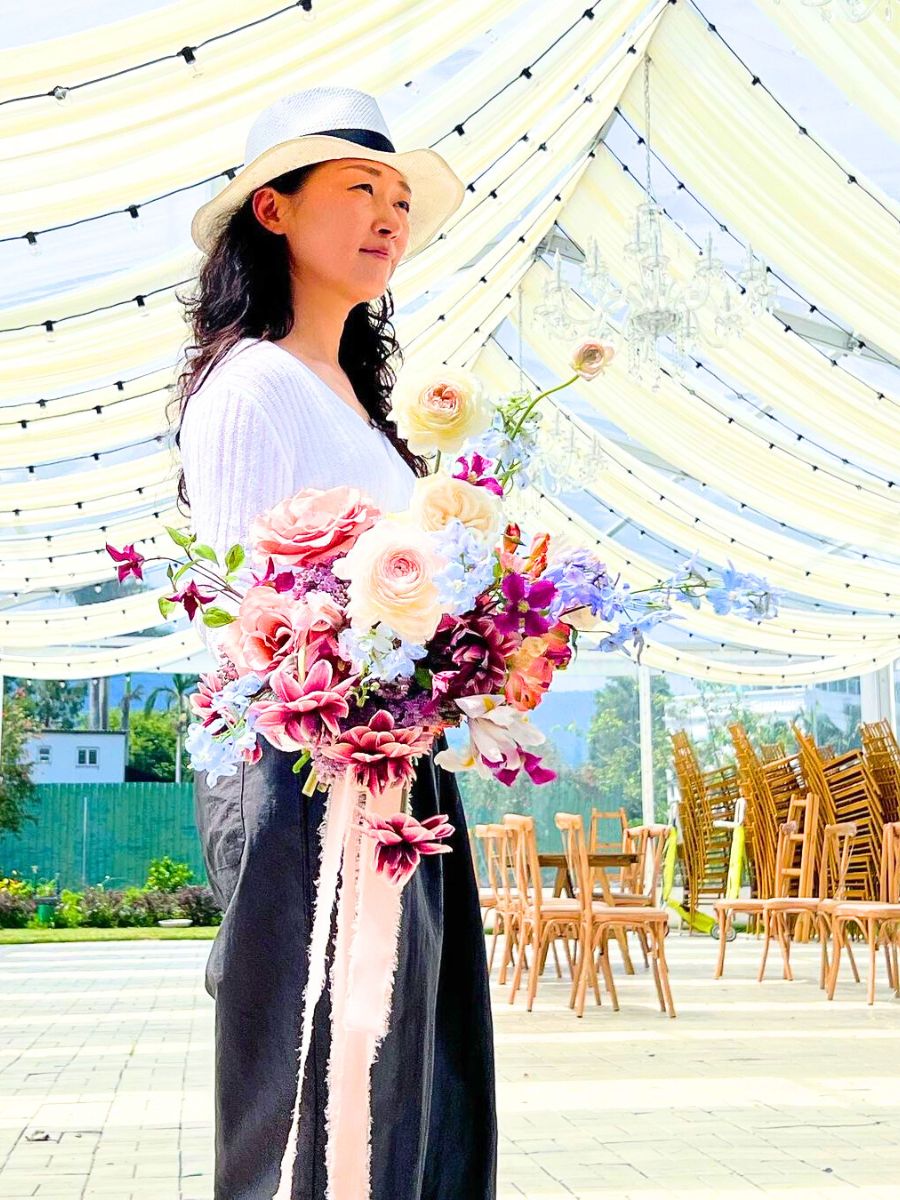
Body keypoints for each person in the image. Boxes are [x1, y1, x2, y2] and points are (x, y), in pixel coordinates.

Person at [173, 87, 498, 1200]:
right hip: (308, 782)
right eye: (359, 188)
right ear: (272, 210)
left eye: (400, 199)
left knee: (412, 1080)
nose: (388, 216)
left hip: (401, 776)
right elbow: (243, 623)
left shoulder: (357, 402)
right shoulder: (252, 386)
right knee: (317, 1083)